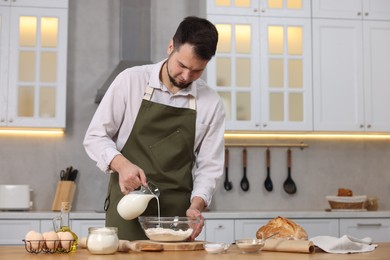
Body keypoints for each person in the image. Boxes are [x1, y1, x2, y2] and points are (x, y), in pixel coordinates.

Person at [83, 16, 225, 241]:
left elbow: (210, 167)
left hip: (177, 218)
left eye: (197, 71)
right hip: (127, 210)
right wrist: (122, 165)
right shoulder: (130, 81)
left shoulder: (211, 103)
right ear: (171, 46)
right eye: (182, 65)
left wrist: (196, 206)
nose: (187, 77)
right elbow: (95, 136)